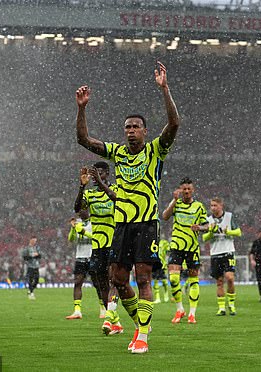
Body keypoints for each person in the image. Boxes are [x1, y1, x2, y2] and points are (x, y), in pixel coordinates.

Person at [75, 60, 180, 354]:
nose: (130, 131)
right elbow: (83, 139)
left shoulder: (156, 150)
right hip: (121, 226)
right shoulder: (118, 153)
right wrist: (82, 108)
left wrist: (165, 89)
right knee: (119, 281)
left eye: (136, 127)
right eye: (127, 127)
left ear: (145, 131)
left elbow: (174, 124)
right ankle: (139, 325)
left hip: (146, 223)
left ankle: (143, 335)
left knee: (143, 277)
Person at [74, 162, 123, 334]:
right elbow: (78, 209)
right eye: (94, 173)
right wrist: (82, 186)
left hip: (114, 242)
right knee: (101, 283)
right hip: (98, 244)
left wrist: (102, 185)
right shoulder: (90, 194)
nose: (95, 176)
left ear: (107, 174)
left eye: (99, 172)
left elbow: (118, 201)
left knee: (114, 280)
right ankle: (114, 320)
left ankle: (110, 317)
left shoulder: (116, 189)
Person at [163, 178, 208, 324]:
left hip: (192, 248)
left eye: (189, 189)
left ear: (193, 190)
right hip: (176, 245)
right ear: (180, 190)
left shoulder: (199, 207)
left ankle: (192, 314)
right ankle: (180, 309)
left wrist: (199, 228)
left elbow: (207, 225)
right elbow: (165, 216)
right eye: (184, 189)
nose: (187, 191)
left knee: (194, 279)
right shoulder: (176, 203)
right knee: (174, 278)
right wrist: (174, 200)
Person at [202, 197, 242, 316]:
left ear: (221, 205)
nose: (213, 208)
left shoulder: (229, 217)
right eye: (211, 206)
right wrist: (211, 231)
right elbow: (204, 238)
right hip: (215, 253)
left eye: (215, 205)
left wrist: (228, 232)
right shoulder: (208, 220)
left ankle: (231, 305)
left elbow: (239, 232)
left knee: (230, 278)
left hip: (228, 252)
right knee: (219, 281)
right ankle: (221, 308)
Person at [65, 210, 93, 319]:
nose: (80, 213)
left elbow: (96, 237)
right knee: (78, 282)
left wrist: (83, 232)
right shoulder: (78, 223)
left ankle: (103, 308)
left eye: (82, 210)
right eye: (78, 211)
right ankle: (77, 311)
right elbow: (71, 239)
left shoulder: (94, 222)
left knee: (98, 283)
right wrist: (73, 228)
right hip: (80, 257)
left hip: (92, 255)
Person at [152, 238, 170, 304]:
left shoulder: (164, 242)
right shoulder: (151, 242)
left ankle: (166, 294)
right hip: (154, 264)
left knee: (164, 281)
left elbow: (169, 250)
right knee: (155, 281)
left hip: (162, 264)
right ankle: (157, 298)